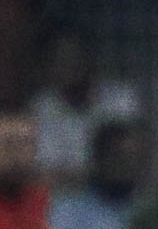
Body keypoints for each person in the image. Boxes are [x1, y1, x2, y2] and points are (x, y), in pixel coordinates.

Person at [28, 25, 141, 186]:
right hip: (61, 198)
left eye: (75, 57)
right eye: (61, 59)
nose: (70, 66)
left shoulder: (121, 100)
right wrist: (99, 172)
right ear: (48, 67)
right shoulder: (40, 108)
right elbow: (44, 172)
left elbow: (130, 165)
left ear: (89, 58)